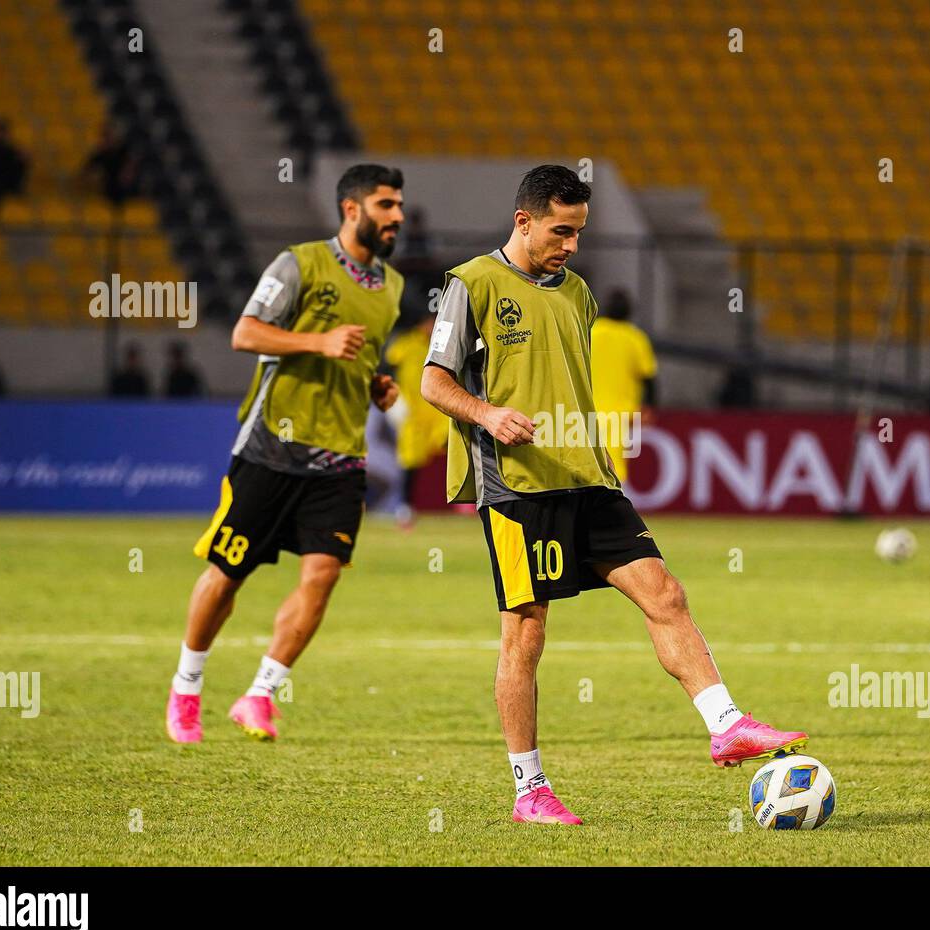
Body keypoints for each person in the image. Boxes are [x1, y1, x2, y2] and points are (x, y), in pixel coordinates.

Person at [420, 165, 808, 826]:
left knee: (666, 594)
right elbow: (434, 381)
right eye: (560, 230)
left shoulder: (577, 293)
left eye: (579, 233)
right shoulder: (472, 285)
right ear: (524, 220)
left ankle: (725, 724)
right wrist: (487, 415)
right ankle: (529, 790)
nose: (571, 245)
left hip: (590, 478)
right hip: (519, 486)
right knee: (527, 634)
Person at [165, 164, 405, 744]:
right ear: (352, 210)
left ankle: (259, 696)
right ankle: (187, 688)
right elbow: (245, 333)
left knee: (322, 576)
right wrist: (315, 341)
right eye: (385, 205)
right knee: (227, 575)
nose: (397, 216)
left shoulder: (392, 289)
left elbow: (361, 355)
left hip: (341, 457)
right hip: (273, 445)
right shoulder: (299, 263)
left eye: (399, 205)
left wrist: (375, 384)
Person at [383, 313, 449, 526]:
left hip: (440, 412)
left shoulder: (444, 343)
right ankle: (405, 507)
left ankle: (470, 501)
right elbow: (386, 368)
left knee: (459, 448)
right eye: (431, 322)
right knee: (410, 459)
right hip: (413, 413)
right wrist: (394, 398)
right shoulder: (406, 343)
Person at [590, 288, 656, 483]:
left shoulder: (590, 332)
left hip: (584, 408)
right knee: (614, 462)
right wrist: (648, 408)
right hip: (620, 413)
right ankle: (613, 507)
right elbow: (649, 379)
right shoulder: (635, 338)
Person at [81, 121, 140, 206]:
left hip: (125, 190)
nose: (107, 138)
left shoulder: (126, 150)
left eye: (109, 135)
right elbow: (86, 172)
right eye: (105, 136)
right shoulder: (101, 154)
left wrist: (127, 174)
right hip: (109, 190)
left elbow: (129, 171)